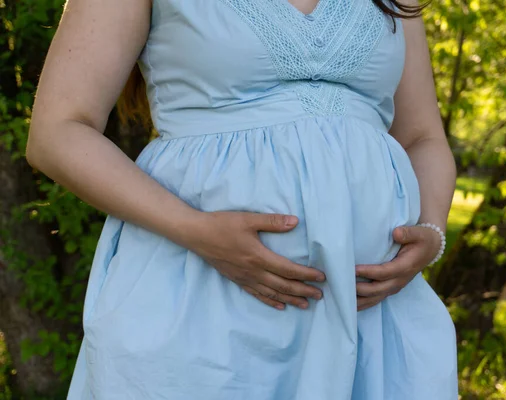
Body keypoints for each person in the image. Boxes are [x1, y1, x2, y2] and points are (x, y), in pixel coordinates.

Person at [26, 0, 458, 397]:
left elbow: (422, 137)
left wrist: (433, 230)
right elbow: (57, 132)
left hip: (371, 322)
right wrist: (196, 231)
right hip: (200, 301)